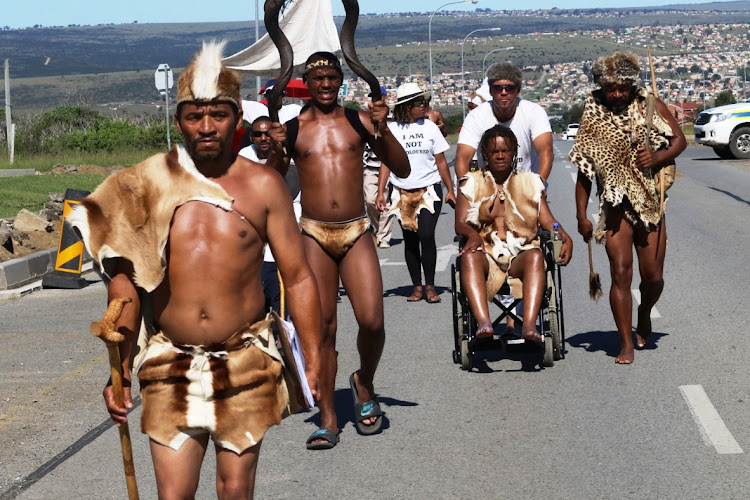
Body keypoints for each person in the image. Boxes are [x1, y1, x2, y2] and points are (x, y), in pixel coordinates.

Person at [69, 41, 322, 499]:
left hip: (245, 358)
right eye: (194, 116)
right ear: (178, 120)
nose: (206, 127)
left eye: (218, 115)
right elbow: (125, 287)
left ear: (236, 118)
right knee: (174, 496)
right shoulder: (145, 187)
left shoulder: (263, 186)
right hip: (170, 360)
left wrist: (315, 356)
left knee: (234, 490)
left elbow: (299, 276)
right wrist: (119, 371)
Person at [269, 51, 409, 448]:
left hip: (356, 231)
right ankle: (328, 416)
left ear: (340, 80)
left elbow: (402, 169)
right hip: (313, 234)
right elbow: (275, 183)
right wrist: (278, 151)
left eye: (333, 77)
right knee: (323, 330)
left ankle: (364, 381)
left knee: (372, 321)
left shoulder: (358, 121)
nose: (327, 85)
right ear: (307, 85)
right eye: (319, 80)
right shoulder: (294, 128)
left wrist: (383, 130)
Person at [570, 52, 686, 364]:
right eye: (612, 89)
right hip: (614, 205)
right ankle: (625, 342)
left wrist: (658, 158)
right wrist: (582, 215)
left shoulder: (649, 104)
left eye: (623, 87)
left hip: (650, 202)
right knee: (620, 273)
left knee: (653, 277)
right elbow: (584, 171)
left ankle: (644, 312)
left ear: (631, 84)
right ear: (601, 86)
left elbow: (679, 140)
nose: (618, 94)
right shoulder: (592, 114)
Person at [455, 62, 555, 337]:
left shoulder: (532, 112)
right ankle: (486, 323)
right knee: (473, 253)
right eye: (497, 88)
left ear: (518, 90)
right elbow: (462, 157)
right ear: (490, 90)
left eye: (509, 88)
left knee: (534, 252)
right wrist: (471, 186)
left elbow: (545, 150)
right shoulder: (478, 118)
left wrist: (539, 186)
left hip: (525, 190)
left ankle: (524, 323)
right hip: (485, 200)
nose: (503, 93)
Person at [455, 125, 572, 342]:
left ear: (514, 153)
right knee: (468, 256)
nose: (500, 156)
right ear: (485, 154)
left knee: (537, 255)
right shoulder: (470, 183)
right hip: (486, 253)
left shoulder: (531, 182)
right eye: (494, 151)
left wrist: (565, 236)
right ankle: (484, 323)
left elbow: (547, 220)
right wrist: (472, 235)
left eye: (505, 151)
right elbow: (461, 222)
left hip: (520, 253)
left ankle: (528, 326)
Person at [376, 82, 456, 304]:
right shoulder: (391, 130)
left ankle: (430, 286)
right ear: (406, 106)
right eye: (420, 102)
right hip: (402, 191)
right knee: (410, 240)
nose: (425, 105)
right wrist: (381, 192)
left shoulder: (430, 127)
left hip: (429, 189)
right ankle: (417, 286)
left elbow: (441, 161)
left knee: (426, 235)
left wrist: (450, 189)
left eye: (425, 101)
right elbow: (386, 163)